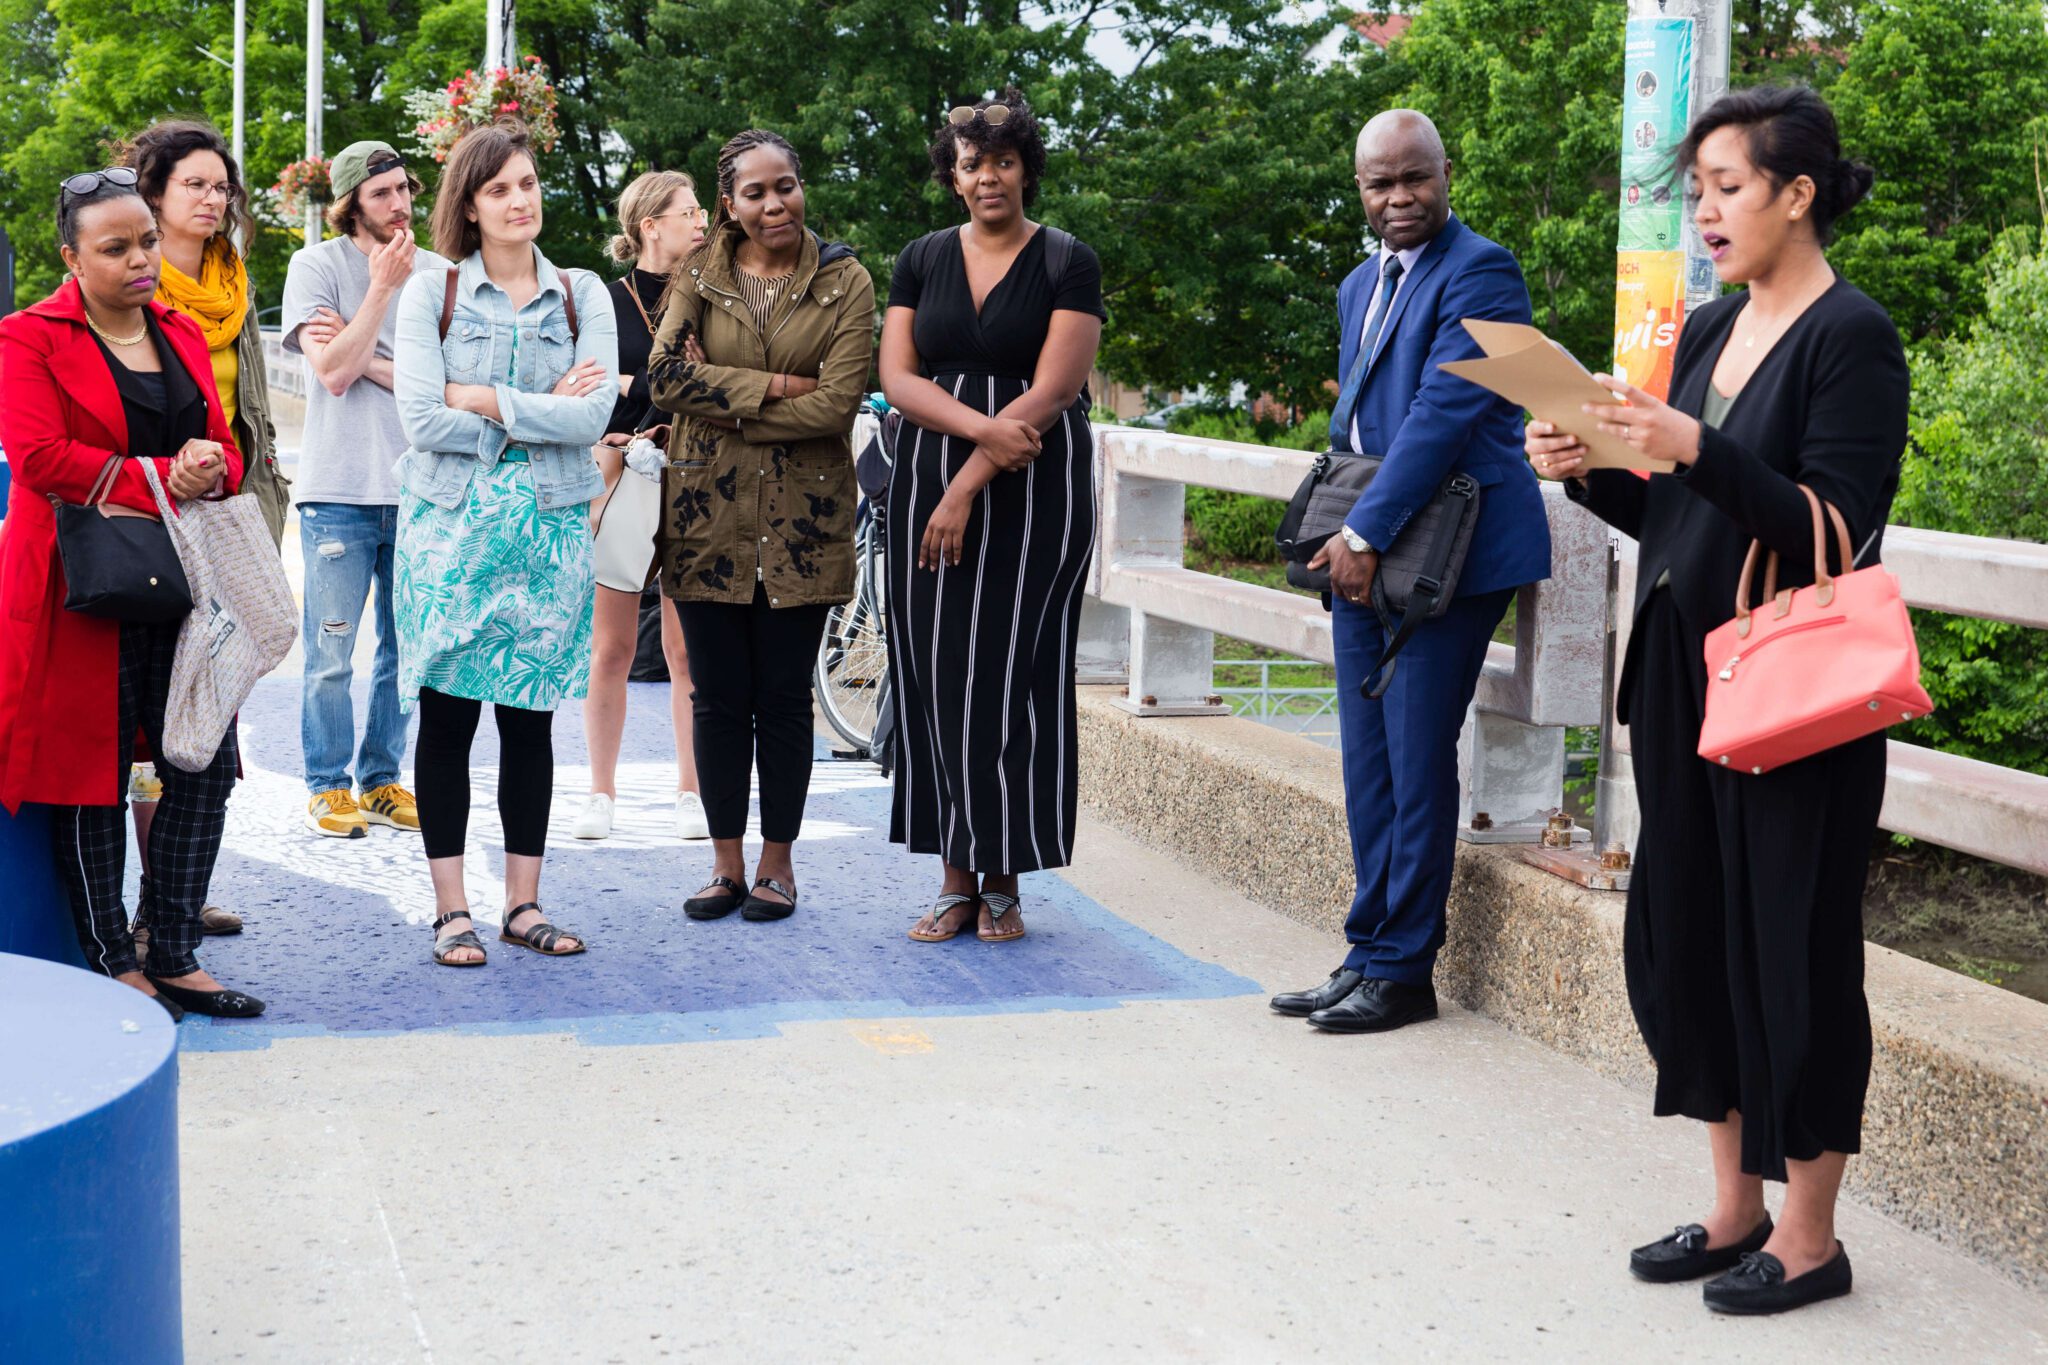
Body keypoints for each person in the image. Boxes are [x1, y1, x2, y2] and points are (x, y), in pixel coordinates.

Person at [1526, 85, 1904, 1316]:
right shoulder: (1705, 330)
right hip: (1683, 679)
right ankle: (1733, 1207)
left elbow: (1828, 527)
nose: (1703, 212)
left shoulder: (1851, 336)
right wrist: (1589, 473)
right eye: (1695, 192)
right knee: (1687, 941)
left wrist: (1691, 446)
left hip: (1792, 697)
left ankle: (1808, 1235)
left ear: (1796, 194)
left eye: (1726, 188)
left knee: (1792, 953)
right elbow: (1682, 519)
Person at [1268, 109, 1551, 1033]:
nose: (1398, 198)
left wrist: (1362, 532)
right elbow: (1359, 426)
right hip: (1370, 544)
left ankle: (1404, 970)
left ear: (1445, 172)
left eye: (1413, 178)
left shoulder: (1483, 270)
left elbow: (1443, 414)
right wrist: (1352, 531)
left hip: (1453, 550)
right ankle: (1365, 951)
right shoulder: (1360, 283)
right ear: (1359, 189)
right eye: (1379, 184)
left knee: (1417, 758)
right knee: (1369, 762)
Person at [0, 168, 264, 1018]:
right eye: (116, 248)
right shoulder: (27, 337)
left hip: (186, 585)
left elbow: (224, 445)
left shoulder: (180, 331)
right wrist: (157, 475)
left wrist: (210, 464)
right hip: (80, 588)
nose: (141, 259)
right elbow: (38, 457)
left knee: (203, 764)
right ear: (71, 258)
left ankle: (174, 948)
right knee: (94, 776)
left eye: (147, 241)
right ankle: (114, 961)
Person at [880, 91, 1105, 945]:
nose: (988, 178)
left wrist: (968, 482)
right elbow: (898, 378)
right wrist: (978, 435)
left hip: (1034, 485)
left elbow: (1054, 390)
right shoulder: (921, 257)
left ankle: (1003, 878)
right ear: (953, 176)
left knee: (1014, 674)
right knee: (937, 673)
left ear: (1025, 170)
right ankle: (953, 878)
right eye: (972, 164)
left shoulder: (1067, 260)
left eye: (1003, 162)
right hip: (931, 471)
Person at [391, 120, 617, 966]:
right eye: (498, 189)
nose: (519, 200)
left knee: (530, 720)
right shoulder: (433, 293)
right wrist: (535, 410)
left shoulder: (582, 294)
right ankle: (451, 909)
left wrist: (481, 397)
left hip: (550, 533)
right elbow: (421, 419)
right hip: (450, 534)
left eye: (526, 182)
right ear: (470, 206)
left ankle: (523, 904)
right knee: (448, 718)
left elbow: (594, 416)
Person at [646, 129, 875, 923]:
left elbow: (837, 405)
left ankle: (778, 866)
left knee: (781, 698)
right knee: (717, 699)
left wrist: (727, 400)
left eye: (786, 186)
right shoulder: (700, 271)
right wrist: (775, 386)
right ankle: (725, 866)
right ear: (729, 204)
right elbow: (664, 378)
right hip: (705, 516)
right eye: (756, 192)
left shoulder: (844, 280)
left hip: (803, 521)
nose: (775, 203)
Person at [119, 118, 290, 942]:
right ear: (153, 195)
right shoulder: (131, 282)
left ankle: (179, 893)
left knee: (210, 710)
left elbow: (250, 409)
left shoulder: (232, 279)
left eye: (221, 186)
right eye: (194, 184)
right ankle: (150, 904)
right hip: (153, 512)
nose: (213, 199)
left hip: (230, 513)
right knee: (151, 725)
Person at [281, 140, 450, 840]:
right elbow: (332, 375)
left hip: (422, 491)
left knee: (406, 654)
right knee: (330, 654)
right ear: (352, 203)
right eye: (382, 193)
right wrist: (379, 291)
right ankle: (328, 786)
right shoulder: (316, 266)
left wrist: (367, 355)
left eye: (405, 189)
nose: (400, 203)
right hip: (338, 491)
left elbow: (446, 386)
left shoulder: (440, 273)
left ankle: (381, 779)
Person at [573, 169, 708, 843]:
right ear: (650, 225)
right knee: (612, 647)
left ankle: (692, 791)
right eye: (690, 211)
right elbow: (588, 384)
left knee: (687, 651)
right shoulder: (603, 301)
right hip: (623, 475)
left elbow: (719, 384)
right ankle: (600, 791)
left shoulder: (713, 294)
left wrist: (641, 384)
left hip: (698, 477)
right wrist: (657, 387)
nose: (703, 220)